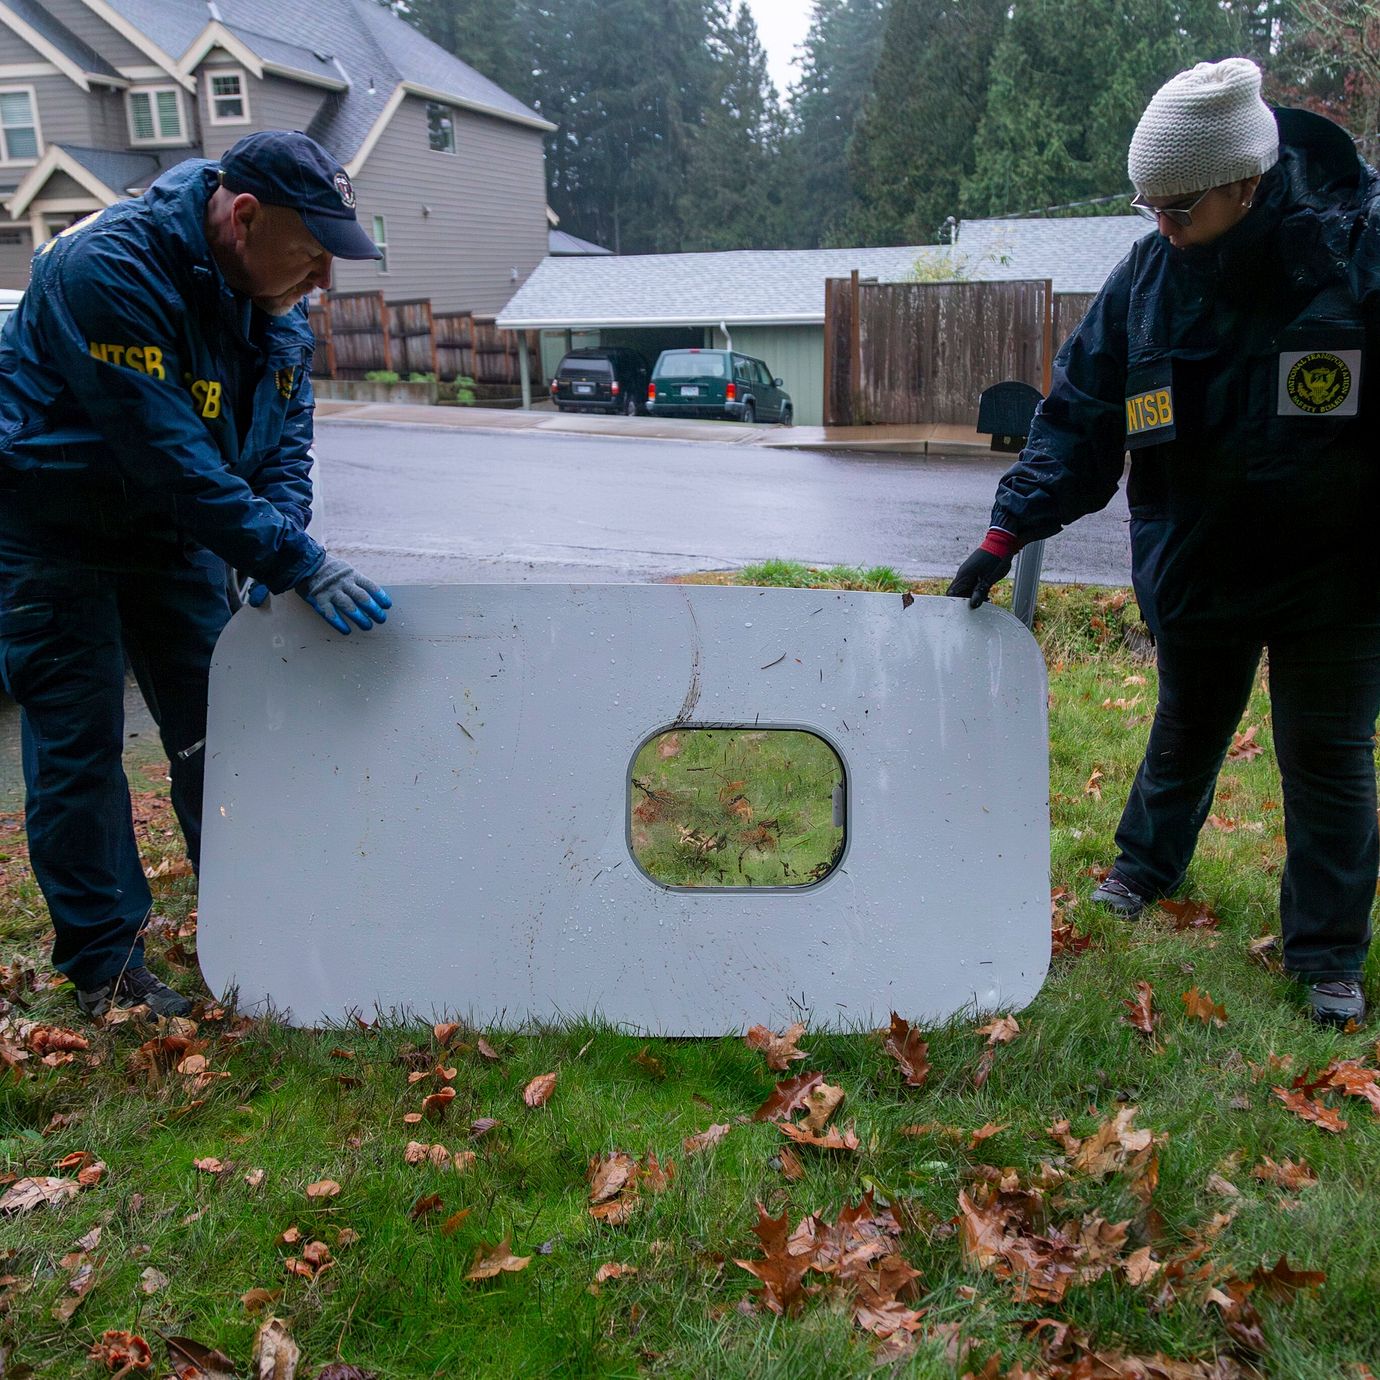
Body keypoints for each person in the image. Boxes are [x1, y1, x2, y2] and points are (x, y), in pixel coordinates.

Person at [947, 58, 1380, 1027]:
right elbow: (1080, 413)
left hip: (1336, 575)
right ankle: (1143, 868)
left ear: (1244, 183)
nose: (1164, 228)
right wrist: (1007, 529)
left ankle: (1326, 956)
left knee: (1328, 759)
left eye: (1180, 208)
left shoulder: (1356, 253)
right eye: (1151, 208)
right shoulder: (1148, 278)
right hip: (1199, 563)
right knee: (1185, 726)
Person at [0, 130, 392, 1020]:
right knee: (79, 746)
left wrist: (276, 540)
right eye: (313, 253)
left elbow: (285, 445)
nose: (324, 280)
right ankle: (108, 968)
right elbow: (169, 458)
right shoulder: (109, 269)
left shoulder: (272, 301)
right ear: (244, 217)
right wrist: (294, 562)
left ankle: (255, 917)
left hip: (175, 535)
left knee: (222, 732)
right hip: (54, 527)